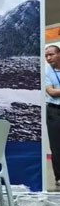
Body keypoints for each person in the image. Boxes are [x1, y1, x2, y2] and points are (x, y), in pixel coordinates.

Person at [44, 44, 60, 188]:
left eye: (51, 54)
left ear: (59, 54)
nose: (48, 58)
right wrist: (55, 91)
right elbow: (51, 92)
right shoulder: (47, 72)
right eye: (46, 56)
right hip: (54, 111)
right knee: (56, 146)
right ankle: (59, 177)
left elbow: (56, 91)